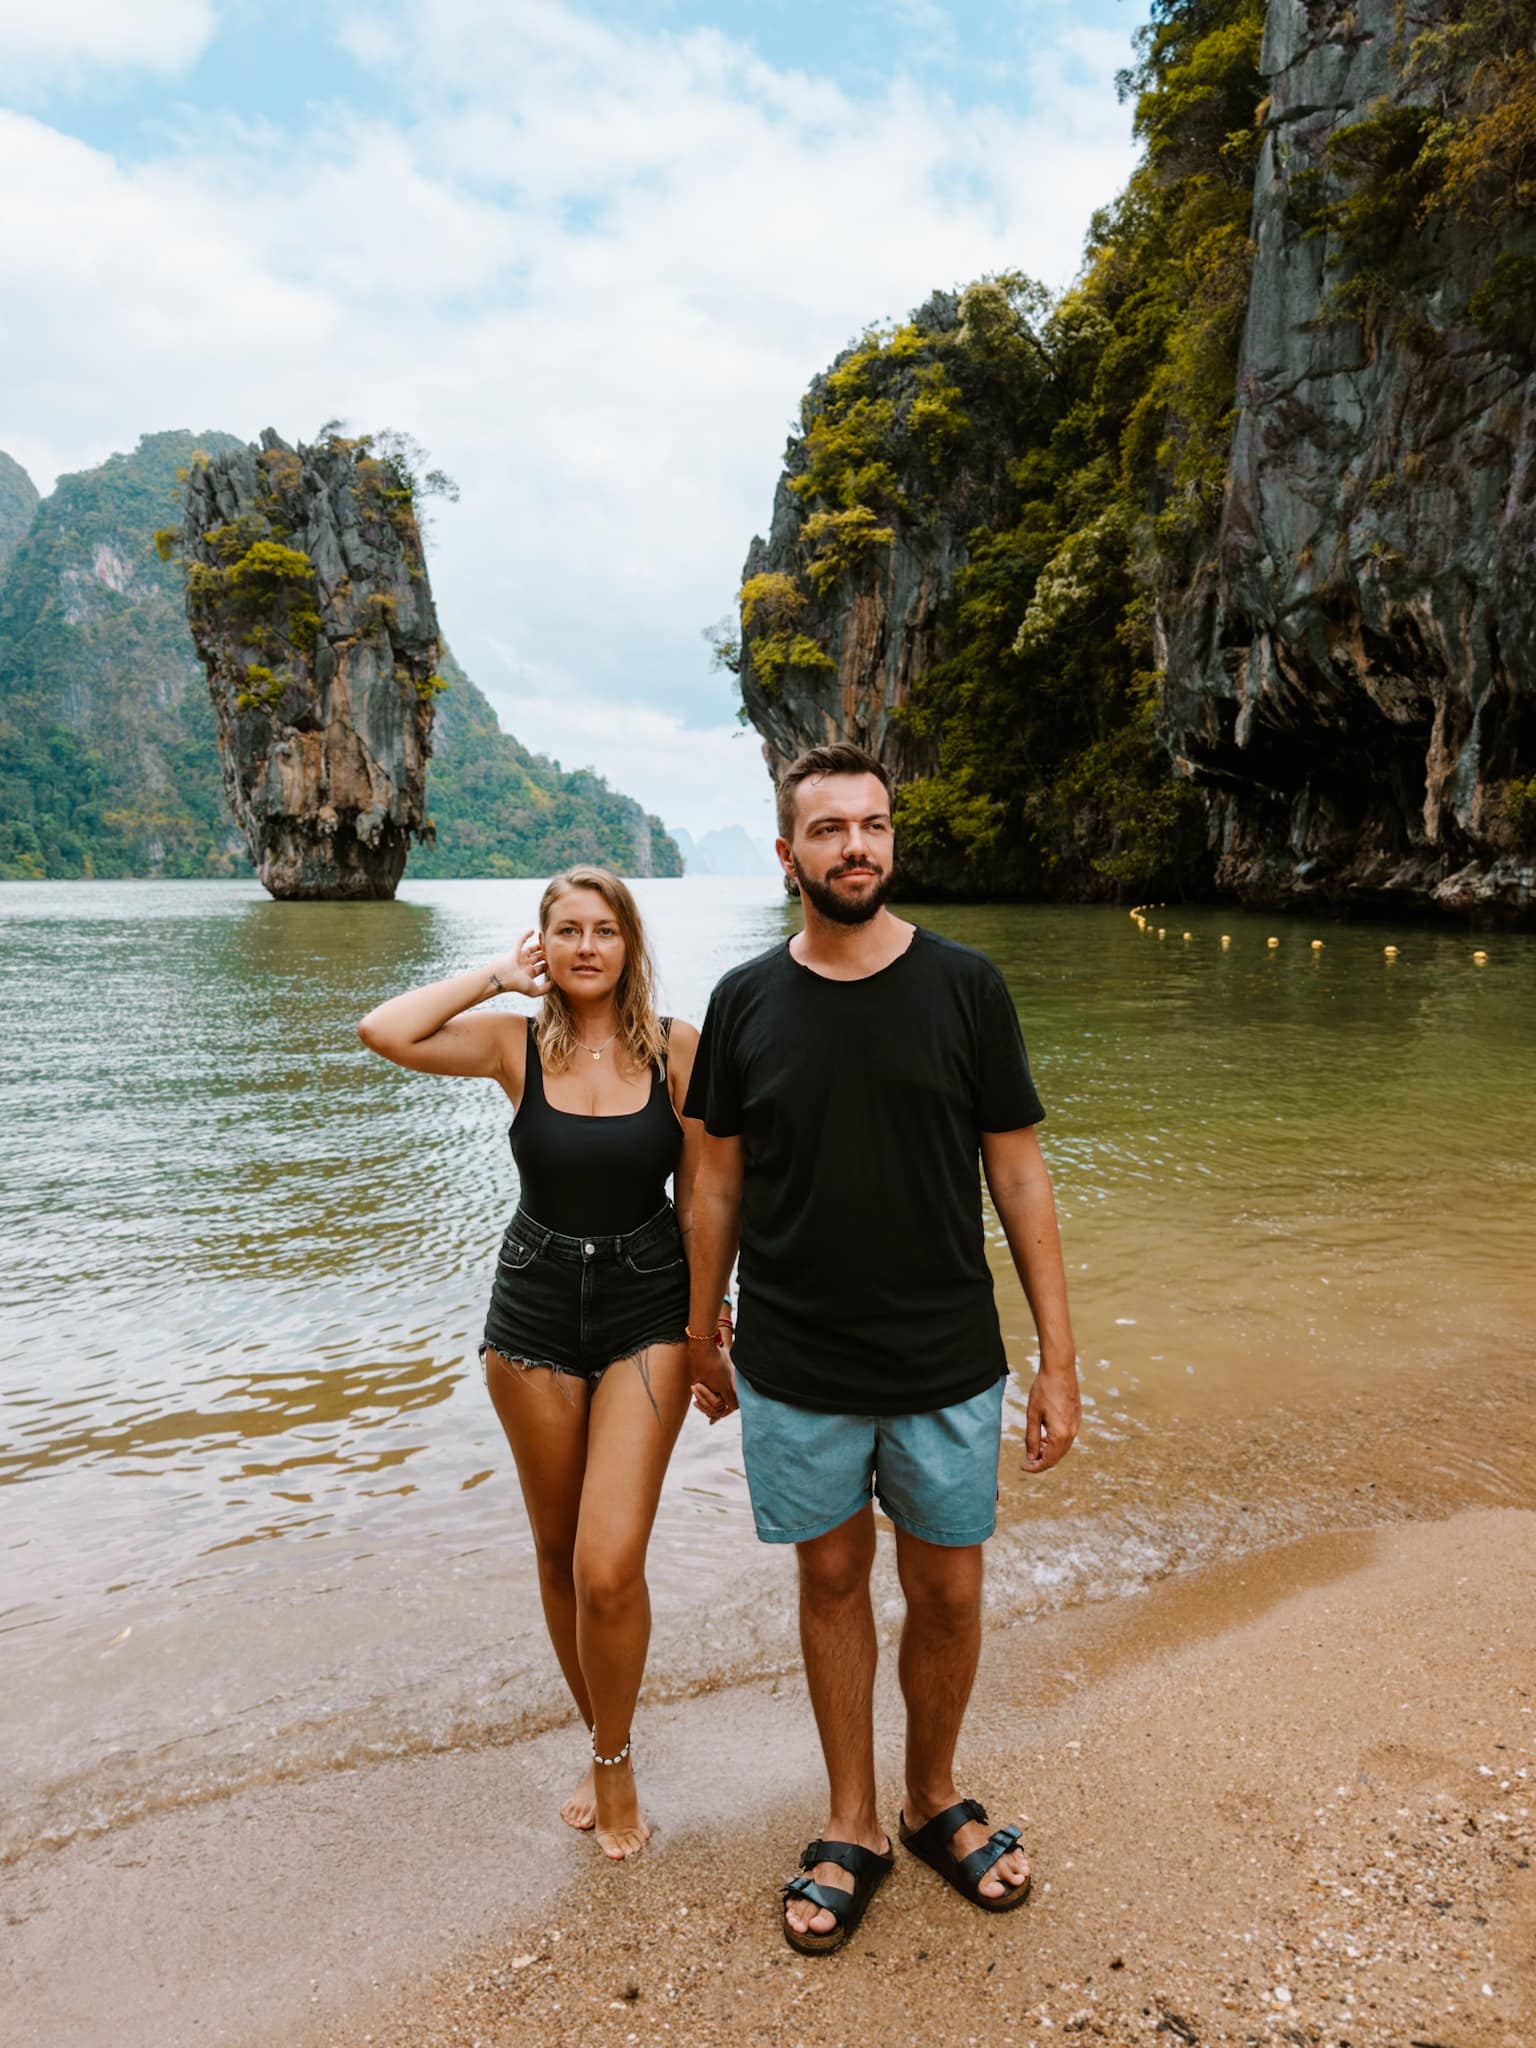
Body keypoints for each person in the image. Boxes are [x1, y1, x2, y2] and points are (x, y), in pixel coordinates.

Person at [682, 742, 1079, 1954]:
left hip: (947, 1355)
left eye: (874, 825)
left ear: (891, 840)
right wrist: (701, 1330)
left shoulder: (966, 986)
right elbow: (712, 1185)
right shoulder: (746, 1001)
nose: (856, 845)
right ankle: (852, 1816)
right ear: (789, 851)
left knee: (950, 1587)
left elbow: (1019, 1171)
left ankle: (931, 1796)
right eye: (830, 828)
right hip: (796, 1358)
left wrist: (1058, 1356)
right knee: (833, 1581)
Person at [357, 865, 723, 1861]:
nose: (587, 946)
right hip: (530, 1316)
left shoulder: (677, 1049)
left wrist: (708, 1330)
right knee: (559, 1553)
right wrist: (491, 976)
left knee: (610, 1565)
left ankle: (613, 1759)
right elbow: (385, 1030)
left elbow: (704, 1200)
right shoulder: (514, 1044)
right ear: (544, 945)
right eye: (567, 930)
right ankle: (606, 1746)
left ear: (630, 942)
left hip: (648, 1307)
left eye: (605, 929)